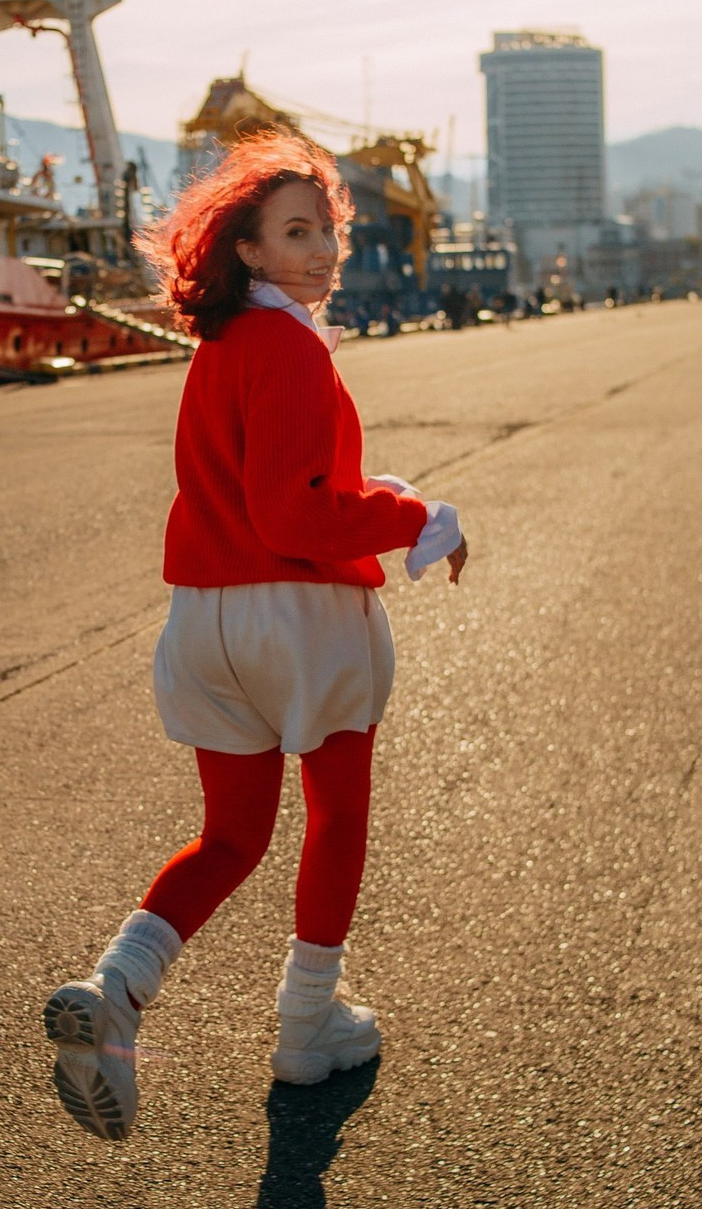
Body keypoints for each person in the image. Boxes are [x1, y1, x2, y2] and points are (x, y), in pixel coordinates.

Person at [42, 131, 468, 1142]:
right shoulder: (287, 345)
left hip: (206, 616)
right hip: (301, 615)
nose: (323, 249)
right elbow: (294, 513)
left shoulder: (226, 345)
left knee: (230, 835)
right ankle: (306, 1018)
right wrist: (413, 519)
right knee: (335, 812)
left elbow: (266, 489)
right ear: (245, 250)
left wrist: (378, 495)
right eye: (294, 232)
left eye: (327, 228)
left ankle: (117, 991)